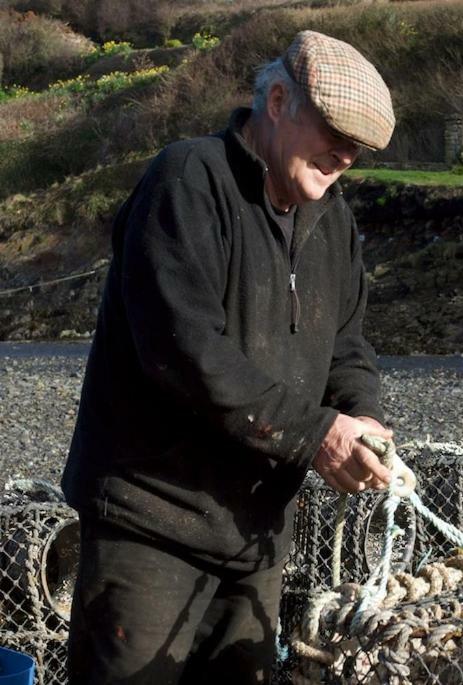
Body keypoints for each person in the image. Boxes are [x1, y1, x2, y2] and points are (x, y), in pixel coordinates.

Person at [61, 31, 396, 684]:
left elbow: (348, 346)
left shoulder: (335, 223)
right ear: (277, 100)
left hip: (254, 539)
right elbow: (185, 351)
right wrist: (316, 435)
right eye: (335, 132)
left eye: (359, 147)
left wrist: (363, 414)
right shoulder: (187, 180)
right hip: (150, 525)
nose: (347, 156)